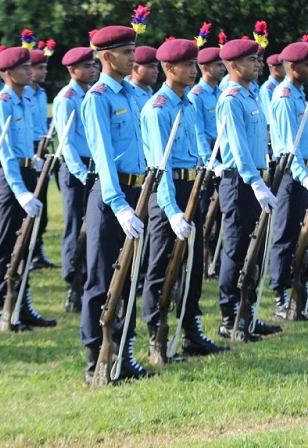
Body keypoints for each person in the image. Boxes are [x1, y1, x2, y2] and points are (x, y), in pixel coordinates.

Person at [140, 38, 227, 360]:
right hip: (169, 194)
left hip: (193, 188)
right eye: (187, 65)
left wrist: (209, 166)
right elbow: (159, 165)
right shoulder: (157, 110)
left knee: (193, 264)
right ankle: (156, 333)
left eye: (194, 65)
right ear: (168, 68)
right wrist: (172, 210)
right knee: (161, 265)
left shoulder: (187, 103)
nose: (194, 70)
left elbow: (200, 145)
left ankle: (191, 329)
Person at [80, 25, 150, 383]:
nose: (133, 57)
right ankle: (96, 359)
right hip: (111, 198)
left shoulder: (134, 95)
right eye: (126, 52)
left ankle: (125, 351)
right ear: (107, 57)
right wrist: (119, 204)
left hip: (136, 193)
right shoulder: (98, 97)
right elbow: (104, 159)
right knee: (101, 279)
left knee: (130, 276)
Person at [215, 38, 282, 339]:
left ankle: (248, 314)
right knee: (237, 249)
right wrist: (256, 182)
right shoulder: (230, 98)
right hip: (240, 182)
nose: (258, 64)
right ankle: (230, 316)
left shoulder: (250, 95)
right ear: (233, 66)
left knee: (253, 250)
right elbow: (240, 150)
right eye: (251, 60)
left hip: (255, 180)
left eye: (257, 59)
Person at [0, 47, 55, 331]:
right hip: (10, 177)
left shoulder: (24, 100)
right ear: (7, 73)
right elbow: (5, 155)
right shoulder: (1, 104)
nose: (30, 71)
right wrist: (20, 190)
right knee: (8, 242)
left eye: (30, 66)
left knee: (26, 243)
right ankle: (4, 307)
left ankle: (22, 304)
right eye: (24, 67)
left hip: (28, 172)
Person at [268, 42, 308, 319]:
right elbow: (286, 148)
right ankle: (281, 295)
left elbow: (306, 143)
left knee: (305, 235)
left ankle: (300, 289)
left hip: (305, 175)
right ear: (292, 68)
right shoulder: (282, 98)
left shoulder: (298, 95)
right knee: (285, 236)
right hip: (291, 177)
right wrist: (305, 178)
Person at [52, 47, 97, 312]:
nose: (93, 69)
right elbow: (66, 143)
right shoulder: (67, 98)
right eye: (87, 66)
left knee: (90, 227)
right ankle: (73, 283)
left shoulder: (91, 95)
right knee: (74, 226)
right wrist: (82, 175)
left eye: (94, 65)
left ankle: (86, 276)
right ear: (72, 70)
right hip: (75, 169)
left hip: (91, 168)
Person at [188, 46, 225, 278]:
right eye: (218, 64)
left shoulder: (220, 93)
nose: (223, 68)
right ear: (205, 68)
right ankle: (202, 258)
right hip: (207, 159)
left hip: (221, 152)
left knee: (220, 213)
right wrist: (210, 163)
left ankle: (216, 257)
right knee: (204, 212)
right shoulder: (196, 96)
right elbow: (198, 132)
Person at [26, 49, 58, 269]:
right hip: (28, 151)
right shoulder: (23, 93)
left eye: (45, 67)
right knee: (30, 200)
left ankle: (38, 249)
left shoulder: (41, 93)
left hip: (42, 147)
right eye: (40, 67)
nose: (43, 71)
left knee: (43, 203)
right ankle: (27, 248)